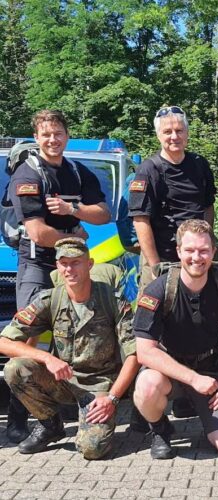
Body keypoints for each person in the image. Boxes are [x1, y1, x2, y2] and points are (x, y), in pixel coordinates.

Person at [6, 109, 110, 443]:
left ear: (67, 135)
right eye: (46, 134)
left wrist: (72, 210)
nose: (53, 139)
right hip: (39, 264)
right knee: (29, 338)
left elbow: (103, 213)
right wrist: (74, 237)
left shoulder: (78, 172)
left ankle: (70, 398)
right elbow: (38, 233)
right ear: (36, 138)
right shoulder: (27, 174)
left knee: (78, 328)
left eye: (58, 133)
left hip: (73, 264)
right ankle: (19, 417)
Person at [0, 238, 138, 459]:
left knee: (92, 449)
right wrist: (47, 358)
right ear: (57, 266)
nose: (69, 269)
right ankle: (50, 424)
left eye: (76, 263)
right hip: (62, 380)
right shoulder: (50, 299)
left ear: (89, 264)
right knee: (15, 368)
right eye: (64, 263)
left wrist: (112, 399)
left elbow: (133, 354)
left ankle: (95, 422)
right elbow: (4, 342)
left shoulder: (113, 300)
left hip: (98, 384)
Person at [132, 219, 218, 459]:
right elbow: (145, 352)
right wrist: (193, 379)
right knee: (146, 386)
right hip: (168, 372)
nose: (197, 257)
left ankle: (208, 417)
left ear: (213, 252)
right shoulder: (158, 289)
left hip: (211, 370)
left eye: (203, 250)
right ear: (179, 251)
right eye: (189, 250)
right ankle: (160, 429)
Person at [128, 105, 216, 293]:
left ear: (187, 133)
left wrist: (206, 242)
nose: (174, 136)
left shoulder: (200, 164)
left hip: (196, 258)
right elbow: (140, 219)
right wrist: (155, 266)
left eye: (179, 131)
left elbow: (208, 206)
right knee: (154, 309)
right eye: (167, 132)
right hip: (162, 256)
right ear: (158, 135)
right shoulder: (148, 170)